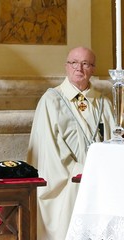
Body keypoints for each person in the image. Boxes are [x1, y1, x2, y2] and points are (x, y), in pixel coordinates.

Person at [26, 46, 115, 240]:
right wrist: (80, 170)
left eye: (85, 64)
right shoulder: (51, 100)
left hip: (98, 183)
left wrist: (101, 172)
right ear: (66, 67)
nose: (79, 68)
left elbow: (112, 143)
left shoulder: (103, 103)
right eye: (74, 63)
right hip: (68, 183)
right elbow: (47, 149)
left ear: (93, 69)